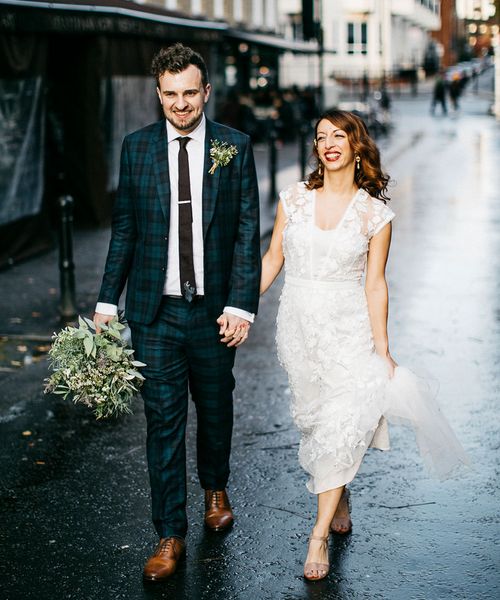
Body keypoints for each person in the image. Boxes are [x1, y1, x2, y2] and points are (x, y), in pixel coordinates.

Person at [260, 110, 469, 581]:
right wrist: (241, 307)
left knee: (341, 422)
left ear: (357, 146)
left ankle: (317, 537)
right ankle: (340, 493)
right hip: (298, 329)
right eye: (320, 136)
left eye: (339, 135)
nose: (328, 142)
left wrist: (383, 348)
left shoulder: (375, 215)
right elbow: (273, 257)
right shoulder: (293, 198)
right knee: (315, 423)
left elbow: (376, 284)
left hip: (348, 332)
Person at [94, 43, 261, 581]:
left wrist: (241, 303)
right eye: (171, 95)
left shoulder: (234, 147)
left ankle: (216, 487)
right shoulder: (136, 148)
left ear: (206, 92)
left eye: (191, 93)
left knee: (215, 411)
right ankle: (169, 533)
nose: (181, 105)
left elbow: (243, 231)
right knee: (162, 424)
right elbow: (125, 228)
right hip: (154, 313)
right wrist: (105, 300)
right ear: (158, 93)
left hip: (214, 314)